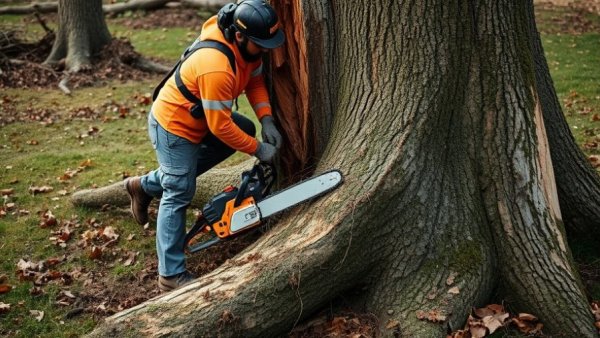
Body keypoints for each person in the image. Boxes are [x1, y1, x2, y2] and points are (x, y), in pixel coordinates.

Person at [124, 0, 285, 292]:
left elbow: (255, 81)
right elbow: (220, 127)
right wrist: (259, 150)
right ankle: (170, 274)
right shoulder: (217, 67)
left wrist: (267, 120)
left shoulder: (247, 48)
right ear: (239, 36)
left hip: (201, 119)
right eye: (261, 44)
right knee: (179, 190)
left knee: (244, 130)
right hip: (174, 127)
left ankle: (144, 186)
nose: (265, 50)